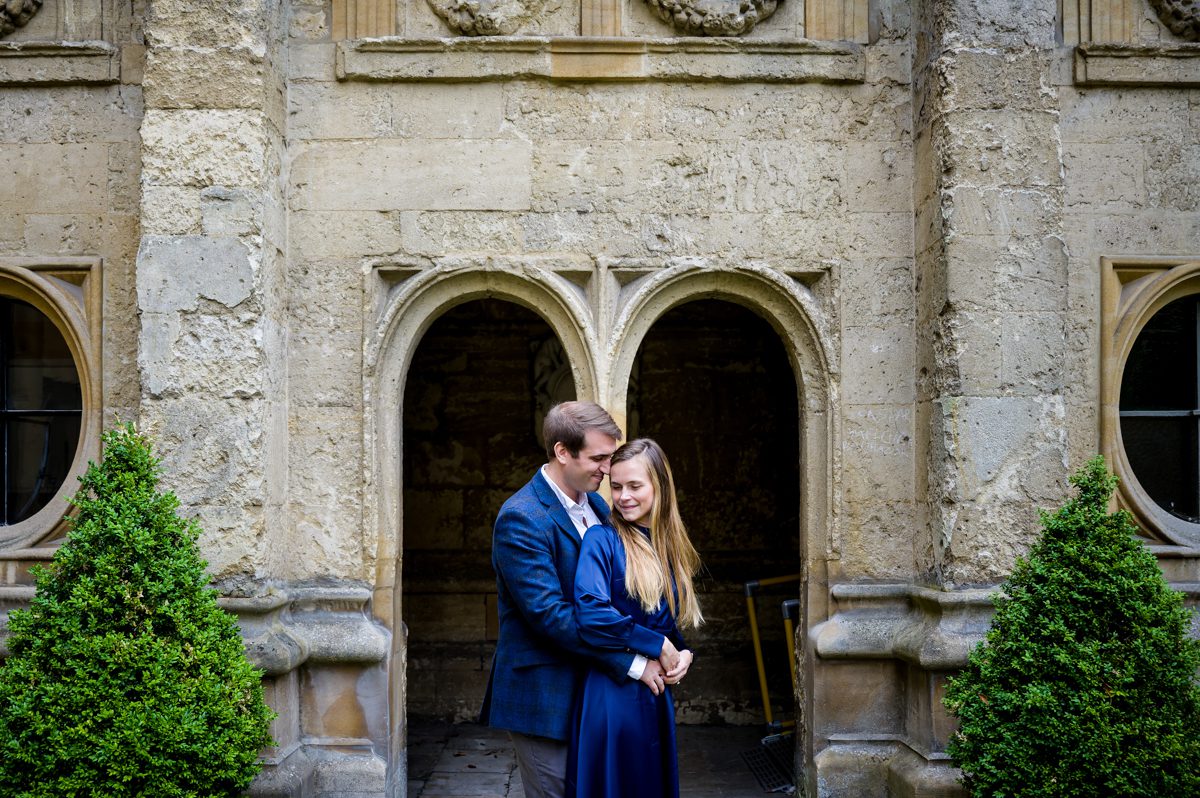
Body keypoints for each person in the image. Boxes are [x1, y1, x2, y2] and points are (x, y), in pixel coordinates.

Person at [480, 402, 668, 798]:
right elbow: (552, 617)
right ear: (563, 451)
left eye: (610, 458)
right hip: (544, 694)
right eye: (598, 458)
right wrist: (633, 662)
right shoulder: (522, 517)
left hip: (593, 693)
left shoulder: (599, 506)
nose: (607, 470)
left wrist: (675, 648)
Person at [566, 438, 704, 798]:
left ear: (659, 486)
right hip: (613, 693)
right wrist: (656, 644)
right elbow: (591, 614)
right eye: (616, 486)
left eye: (634, 486)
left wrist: (684, 653)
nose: (623, 496)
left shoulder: (669, 545)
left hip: (654, 695)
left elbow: (665, 623)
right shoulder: (602, 539)